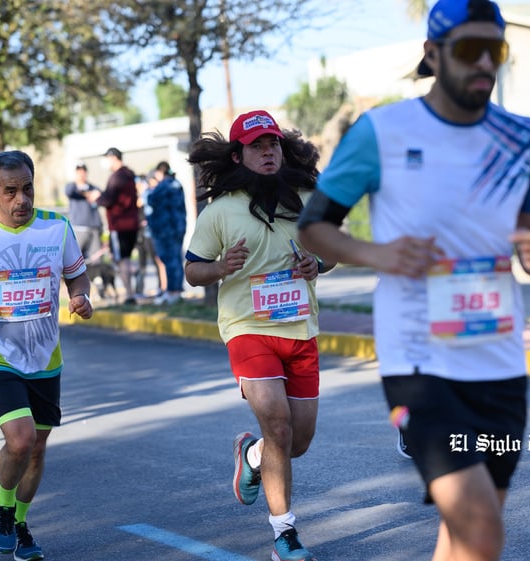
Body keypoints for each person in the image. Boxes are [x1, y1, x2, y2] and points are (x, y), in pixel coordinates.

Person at [297, 1, 530, 559]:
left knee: (465, 535)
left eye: (497, 50)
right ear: (432, 54)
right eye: (469, 50)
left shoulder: (526, 139)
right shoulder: (383, 132)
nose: (485, 62)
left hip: (499, 360)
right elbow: (314, 228)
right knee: (483, 529)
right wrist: (380, 254)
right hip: (418, 362)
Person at [184, 110, 332, 561]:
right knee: (279, 425)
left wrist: (317, 264)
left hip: (300, 329)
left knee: (296, 442)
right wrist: (221, 267)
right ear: (238, 155)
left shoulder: (305, 198)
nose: (267, 152)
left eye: (273, 145)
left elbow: (330, 255)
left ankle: (251, 456)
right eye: (256, 146)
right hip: (248, 330)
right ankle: (284, 535)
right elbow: (192, 271)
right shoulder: (220, 212)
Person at [0, 150, 94, 561]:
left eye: (27, 189)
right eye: (10, 191)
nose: (21, 199)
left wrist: (80, 295)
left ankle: (20, 521)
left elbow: (76, 272)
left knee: (38, 448)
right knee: (21, 439)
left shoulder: (56, 227)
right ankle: (3, 506)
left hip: (45, 356)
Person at [95, 147, 140, 305]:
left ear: (113, 158)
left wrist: (97, 198)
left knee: (121, 260)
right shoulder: (129, 174)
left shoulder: (117, 177)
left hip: (120, 225)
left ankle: (129, 294)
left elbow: (108, 199)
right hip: (132, 224)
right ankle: (132, 289)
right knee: (125, 258)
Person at [147, 161, 187, 305]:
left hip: (166, 229)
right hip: (178, 228)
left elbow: (151, 200)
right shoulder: (177, 184)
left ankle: (172, 292)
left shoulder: (164, 185)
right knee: (176, 259)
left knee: (170, 261)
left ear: (160, 172)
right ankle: (176, 291)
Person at [64, 162, 104, 260]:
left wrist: (94, 194)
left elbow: (101, 196)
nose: (81, 174)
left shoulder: (94, 187)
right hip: (78, 227)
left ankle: (95, 275)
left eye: (83, 171)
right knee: (75, 258)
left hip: (94, 227)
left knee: (96, 258)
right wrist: (87, 194)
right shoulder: (72, 187)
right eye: (79, 172)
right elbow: (70, 192)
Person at [134, 173, 163, 298]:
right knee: (141, 263)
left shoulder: (149, 195)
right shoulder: (134, 197)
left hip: (150, 233)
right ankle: (139, 290)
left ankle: (161, 287)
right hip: (139, 234)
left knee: (156, 260)